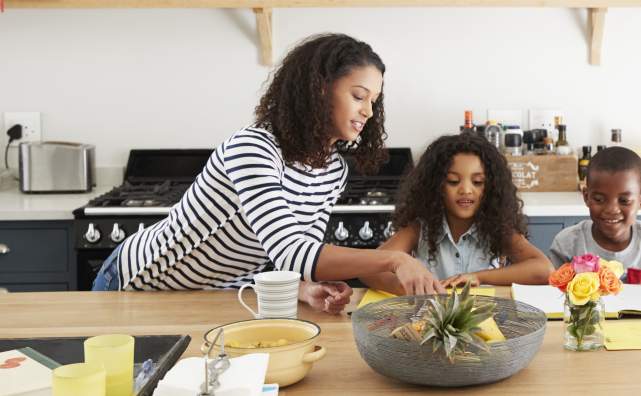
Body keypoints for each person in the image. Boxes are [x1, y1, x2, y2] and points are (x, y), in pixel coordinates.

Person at [92, 33, 446, 312]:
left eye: (373, 101)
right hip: (141, 282)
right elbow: (293, 251)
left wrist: (306, 289)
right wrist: (396, 260)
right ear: (320, 88)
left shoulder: (332, 170)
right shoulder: (255, 148)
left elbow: (292, 261)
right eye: (358, 96)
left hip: (216, 294)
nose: (368, 111)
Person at [359, 134, 554, 293]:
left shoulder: (499, 230)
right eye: (453, 181)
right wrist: (402, 286)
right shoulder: (417, 229)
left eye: (477, 182)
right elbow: (367, 269)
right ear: (436, 186)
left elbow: (544, 270)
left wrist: (479, 277)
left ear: (491, 187)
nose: (466, 190)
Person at [548, 147, 641, 284]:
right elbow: (553, 292)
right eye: (599, 200)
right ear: (586, 197)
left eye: (624, 201)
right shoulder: (566, 244)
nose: (611, 210)